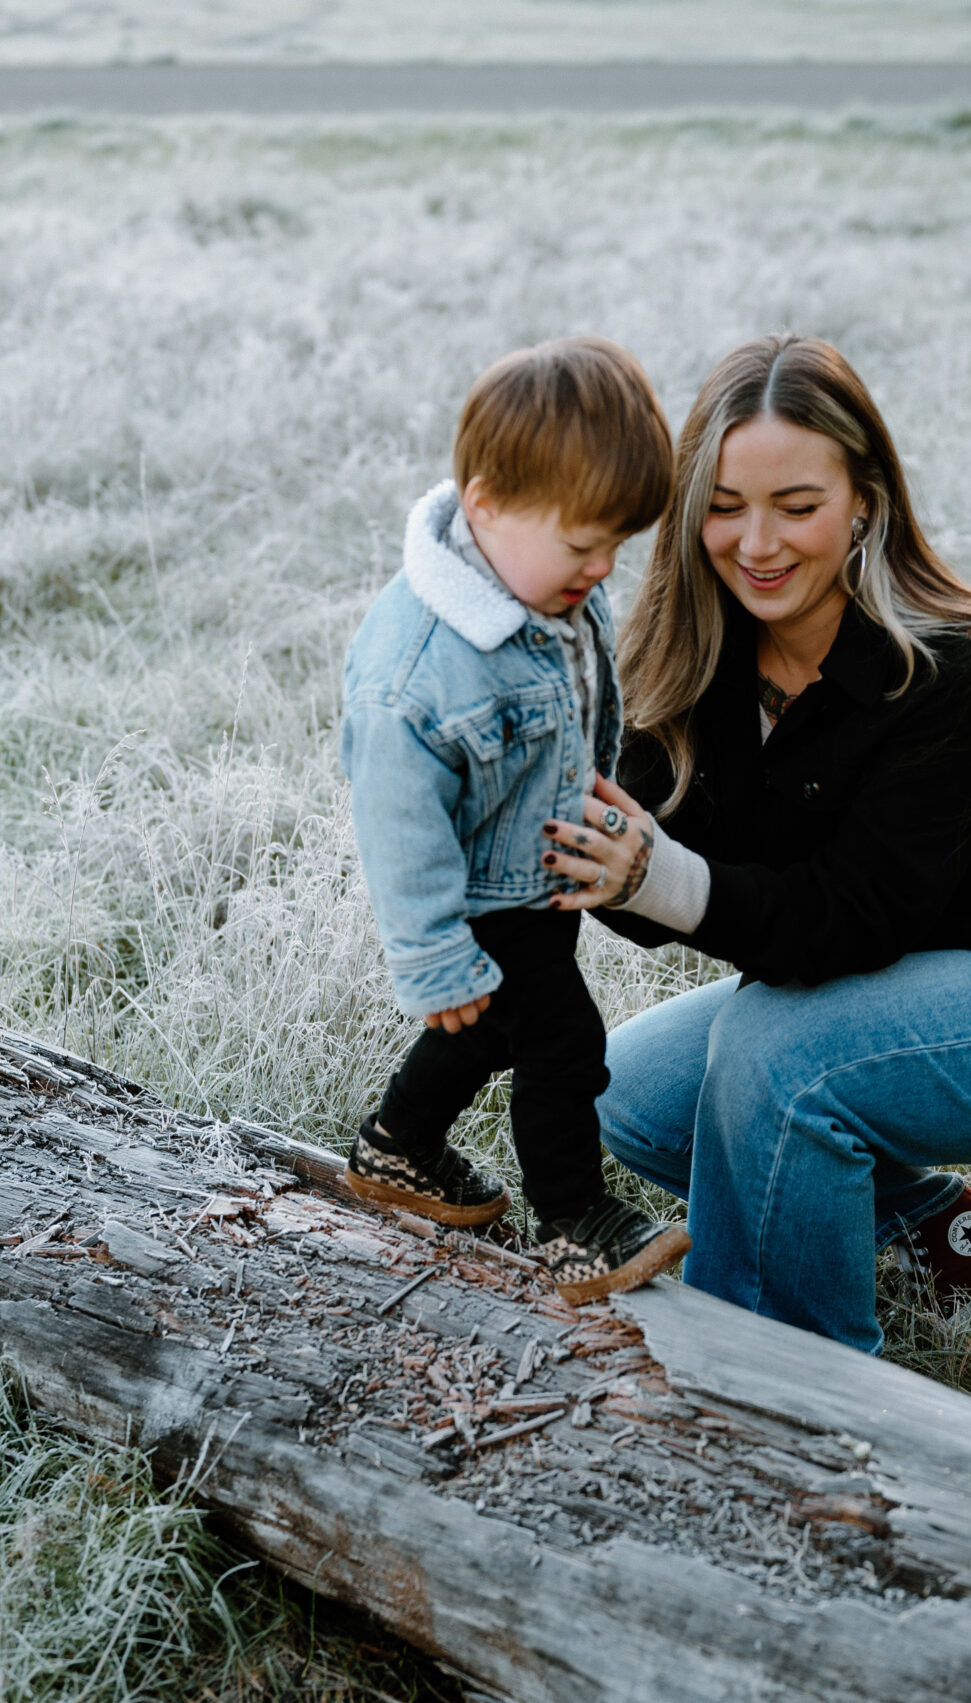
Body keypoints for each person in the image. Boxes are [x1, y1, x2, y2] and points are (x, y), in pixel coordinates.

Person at [540, 334, 971, 1354]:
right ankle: (933, 1224)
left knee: (773, 1056)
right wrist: (556, 832)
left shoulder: (951, 667)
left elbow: (843, 920)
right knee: (627, 1091)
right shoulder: (697, 656)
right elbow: (654, 875)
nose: (756, 543)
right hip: (896, 975)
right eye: (723, 504)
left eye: (796, 506)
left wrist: (654, 873)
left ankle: (790, 1397)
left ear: (864, 503)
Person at [339, 336, 693, 1304]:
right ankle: (574, 1219)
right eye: (583, 545)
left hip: (533, 873)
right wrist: (431, 954)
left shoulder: (540, 582)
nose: (602, 567)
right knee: (561, 1037)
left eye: (615, 545)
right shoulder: (418, 669)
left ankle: (397, 1145)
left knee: (484, 1029)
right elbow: (397, 820)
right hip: (481, 892)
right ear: (487, 503)